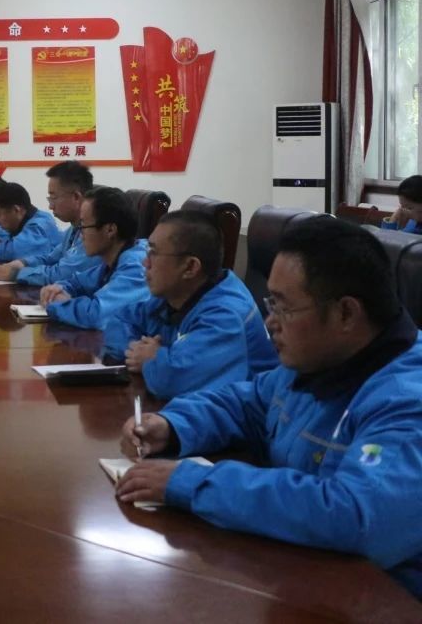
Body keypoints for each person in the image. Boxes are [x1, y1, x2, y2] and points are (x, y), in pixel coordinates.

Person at [116, 216, 422, 598]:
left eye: (283, 307)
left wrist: (192, 483)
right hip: (303, 575)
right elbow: (246, 403)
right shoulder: (320, 360)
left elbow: (357, 515)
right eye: (270, 302)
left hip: (383, 599)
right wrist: (173, 425)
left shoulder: (406, 400)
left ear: (346, 313)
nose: (269, 321)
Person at [103, 210, 277, 398]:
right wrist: (138, 351)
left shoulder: (226, 314)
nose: (145, 263)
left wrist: (152, 360)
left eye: (154, 253)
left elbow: (174, 381)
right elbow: (118, 321)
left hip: (248, 414)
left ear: (190, 267)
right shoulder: (174, 296)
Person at [40, 186, 149, 329]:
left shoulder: (137, 264)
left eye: (84, 226)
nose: (80, 235)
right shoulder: (115, 259)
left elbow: (96, 315)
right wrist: (57, 288)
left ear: (110, 230)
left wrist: (57, 303)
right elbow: (78, 282)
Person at [0, 161, 101, 285]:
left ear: (76, 197)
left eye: (53, 198)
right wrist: (22, 263)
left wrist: (15, 274)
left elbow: (62, 274)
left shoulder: (94, 233)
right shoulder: (73, 229)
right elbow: (51, 258)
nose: (50, 206)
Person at [0, 180, 63, 263]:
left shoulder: (39, 224)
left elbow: (13, 252)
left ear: (16, 210)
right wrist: (0, 242)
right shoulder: (26, 221)